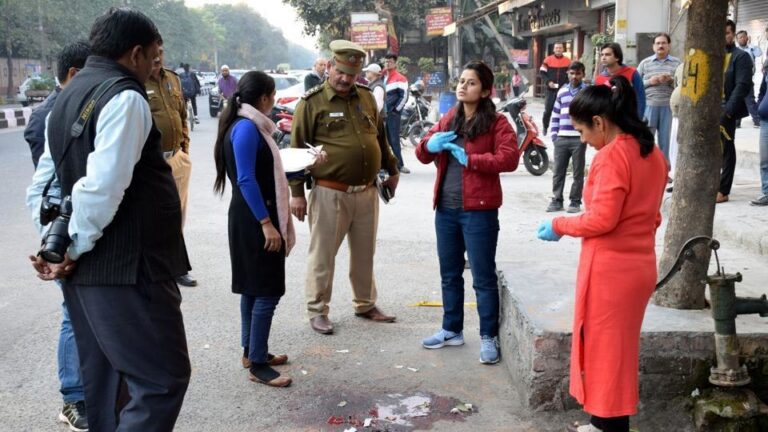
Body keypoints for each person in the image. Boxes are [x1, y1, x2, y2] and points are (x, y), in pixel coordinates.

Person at [26, 8, 190, 431]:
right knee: (160, 380)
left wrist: (56, 243)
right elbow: (101, 188)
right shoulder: (125, 97)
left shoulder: (67, 93)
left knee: (107, 383)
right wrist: (70, 248)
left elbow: (45, 183)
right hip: (128, 269)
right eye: (154, 56)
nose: (157, 65)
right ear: (135, 52)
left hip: (87, 269)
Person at [537, 75, 667, 432]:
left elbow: (602, 220)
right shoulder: (653, 154)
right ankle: (601, 422)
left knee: (607, 353)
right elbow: (653, 216)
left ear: (600, 122)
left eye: (582, 131)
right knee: (614, 352)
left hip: (611, 272)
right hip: (638, 266)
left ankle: (609, 427)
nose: (583, 141)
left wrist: (560, 225)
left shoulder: (612, 156)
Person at [212, 71, 325, 387]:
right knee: (266, 291)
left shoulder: (246, 125)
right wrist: (267, 225)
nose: (274, 102)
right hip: (255, 219)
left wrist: (307, 162)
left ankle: (252, 351)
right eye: (273, 96)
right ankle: (258, 365)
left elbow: (265, 169)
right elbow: (247, 179)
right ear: (264, 97)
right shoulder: (247, 128)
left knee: (252, 288)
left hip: (251, 215)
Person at [289, 40, 400, 335]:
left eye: (352, 74)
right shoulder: (311, 103)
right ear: (329, 67)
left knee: (365, 253)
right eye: (340, 72)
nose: (345, 79)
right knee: (322, 255)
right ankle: (317, 310)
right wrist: (297, 194)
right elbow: (297, 149)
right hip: (329, 191)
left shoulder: (365, 97)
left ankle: (365, 303)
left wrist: (392, 169)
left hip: (366, 191)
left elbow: (380, 138)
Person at [415, 60, 519, 364]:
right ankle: (451, 329)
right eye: (461, 81)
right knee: (449, 274)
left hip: (479, 211)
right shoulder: (450, 117)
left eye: (471, 82)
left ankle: (488, 336)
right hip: (446, 209)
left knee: (483, 277)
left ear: (485, 90)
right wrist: (428, 145)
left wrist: (471, 159)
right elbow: (423, 152)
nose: (463, 86)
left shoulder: (497, 122)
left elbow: (509, 158)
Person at [23, 40, 90, 432]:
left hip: (70, 224)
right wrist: (55, 244)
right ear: (76, 75)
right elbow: (44, 185)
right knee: (72, 313)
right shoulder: (55, 112)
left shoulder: (75, 104)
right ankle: (73, 398)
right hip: (60, 228)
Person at [146, 47, 197, 287]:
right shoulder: (135, 81)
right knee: (156, 217)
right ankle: (157, 268)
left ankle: (176, 267)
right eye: (153, 51)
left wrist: (184, 151)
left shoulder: (173, 79)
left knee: (178, 216)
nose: (158, 56)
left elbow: (182, 116)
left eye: (161, 51)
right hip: (153, 164)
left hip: (177, 159)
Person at [719, 20, 753, 203]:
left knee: (727, 150)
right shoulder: (712, 55)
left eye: (727, 33)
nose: (724, 36)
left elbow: (742, 86)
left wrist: (728, 111)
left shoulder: (741, 57)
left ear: (732, 34)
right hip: (709, 110)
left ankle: (723, 190)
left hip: (727, 110)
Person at [547, 61, 588, 214]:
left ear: (583, 74)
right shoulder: (562, 91)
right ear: (567, 74)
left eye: (578, 73)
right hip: (561, 138)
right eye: (572, 73)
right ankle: (557, 200)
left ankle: (575, 201)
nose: (574, 76)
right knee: (558, 171)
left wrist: (585, 134)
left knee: (578, 172)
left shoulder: (587, 91)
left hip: (579, 139)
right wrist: (554, 134)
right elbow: (555, 113)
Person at [637, 33, 681, 164]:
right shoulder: (645, 63)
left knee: (665, 141)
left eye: (663, 43)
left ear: (669, 46)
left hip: (668, 106)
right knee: (647, 140)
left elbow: (681, 86)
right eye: (658, 43)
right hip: (649, 106)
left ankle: (664, 171)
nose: (660, 46)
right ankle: (647, 168)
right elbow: (636, 85)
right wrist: (651, 81)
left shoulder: (677, 63)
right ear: (653, 46)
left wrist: (670, 80)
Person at [595, 43, 645, 116]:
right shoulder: (599, 79)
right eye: (602, 55)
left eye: (607, 54)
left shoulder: (632, 73)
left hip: (628, 119)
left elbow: (640, 98)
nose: (603, 57)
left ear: (617, 57)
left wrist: (638, 119)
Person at [383, 52, 410, 173]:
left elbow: (404, 96)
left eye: (390, 61)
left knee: (394, 140)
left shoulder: (400, 78)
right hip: (382, 114)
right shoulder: (383, 77)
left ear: (395, 63)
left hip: (393, 114)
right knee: (384, 140)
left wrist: (396, 110)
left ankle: (400, 165)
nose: (387, 63)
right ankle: (387, 165)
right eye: (386, 61)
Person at [540, 42, 570, 134]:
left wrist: (566, 84)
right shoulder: (548, 60)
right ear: (553, 49)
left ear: (563, 49)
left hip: (563, 89)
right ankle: (545, 126)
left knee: (563, 110)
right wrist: (548, 82)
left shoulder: (568, 61)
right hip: (550, 89)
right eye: (556, 48)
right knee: (548, 110)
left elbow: (570, 74)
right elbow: (542, 73)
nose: (558, 49)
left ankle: (561, 128)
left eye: (560, 48)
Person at [736, 30, 762, 128]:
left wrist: (752, 44)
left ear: (747, 37)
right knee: (738, 101)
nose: (742, 39)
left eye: (743, 37)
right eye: (739, 38)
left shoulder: (751, 49)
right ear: (737, 40)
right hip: (737, 79)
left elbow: (759, 53)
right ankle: (737, 123)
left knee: (749, 101)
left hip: (747, 79)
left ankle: (758, 121)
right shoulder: (736, 50)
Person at [750, 60, 768, 206]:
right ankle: (767, 193)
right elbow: (762, 90)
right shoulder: (767, 69)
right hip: (765, 121)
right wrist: (759, 107)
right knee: (765, 160)